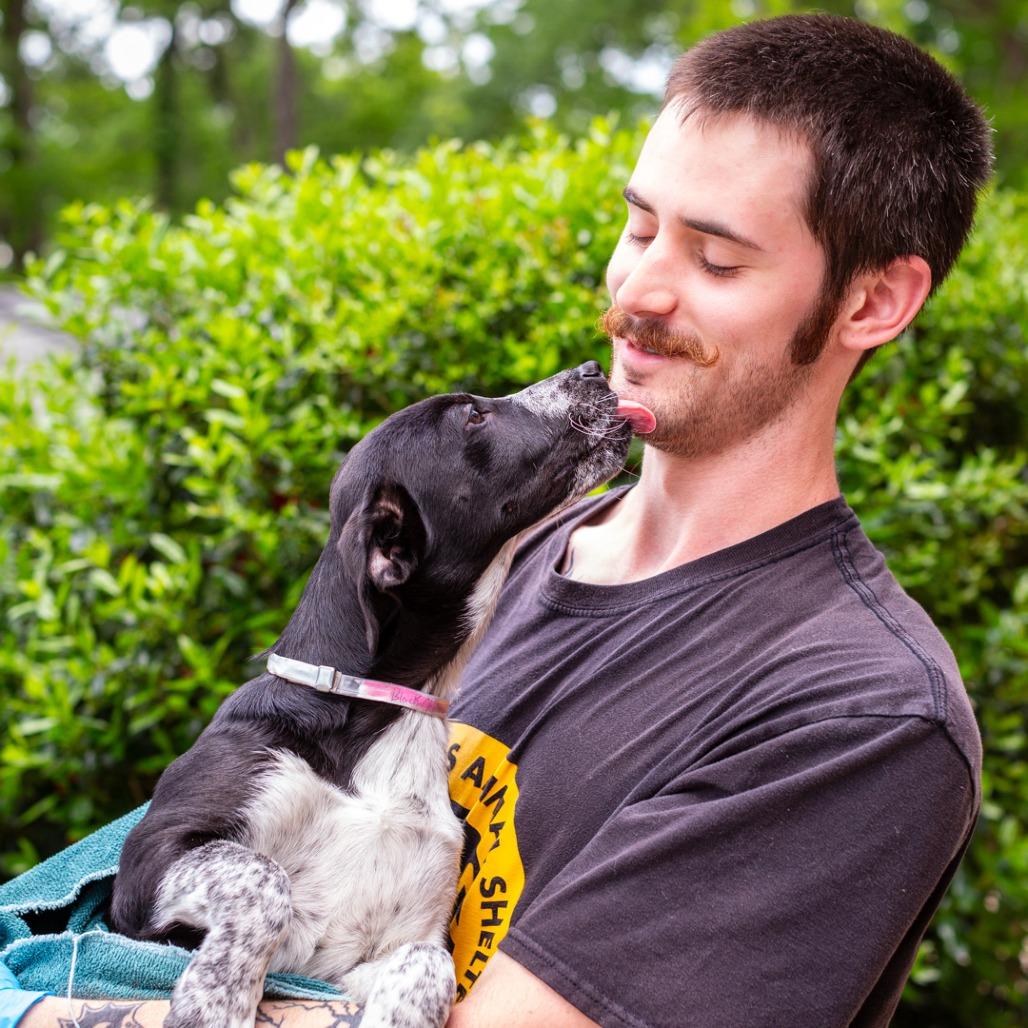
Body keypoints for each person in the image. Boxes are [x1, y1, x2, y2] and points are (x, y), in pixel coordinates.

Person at [10, 12, 991, 1028]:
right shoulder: (485, 569)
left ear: (872, 303)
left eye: (715, 259)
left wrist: (34, 1014)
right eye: (639, 225)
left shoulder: (854, 713)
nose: (635, 291)